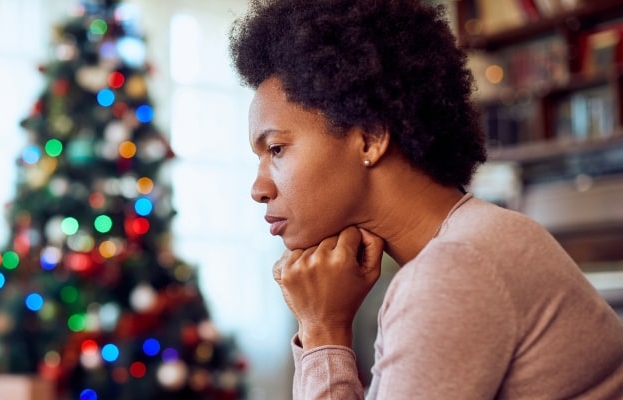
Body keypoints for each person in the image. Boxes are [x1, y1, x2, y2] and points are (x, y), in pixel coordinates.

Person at [228, 0, 623, 398]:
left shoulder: (455, 271)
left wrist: (322, 331)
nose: (258, 188)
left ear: (369, 137)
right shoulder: (471, 243)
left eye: (276, 149)